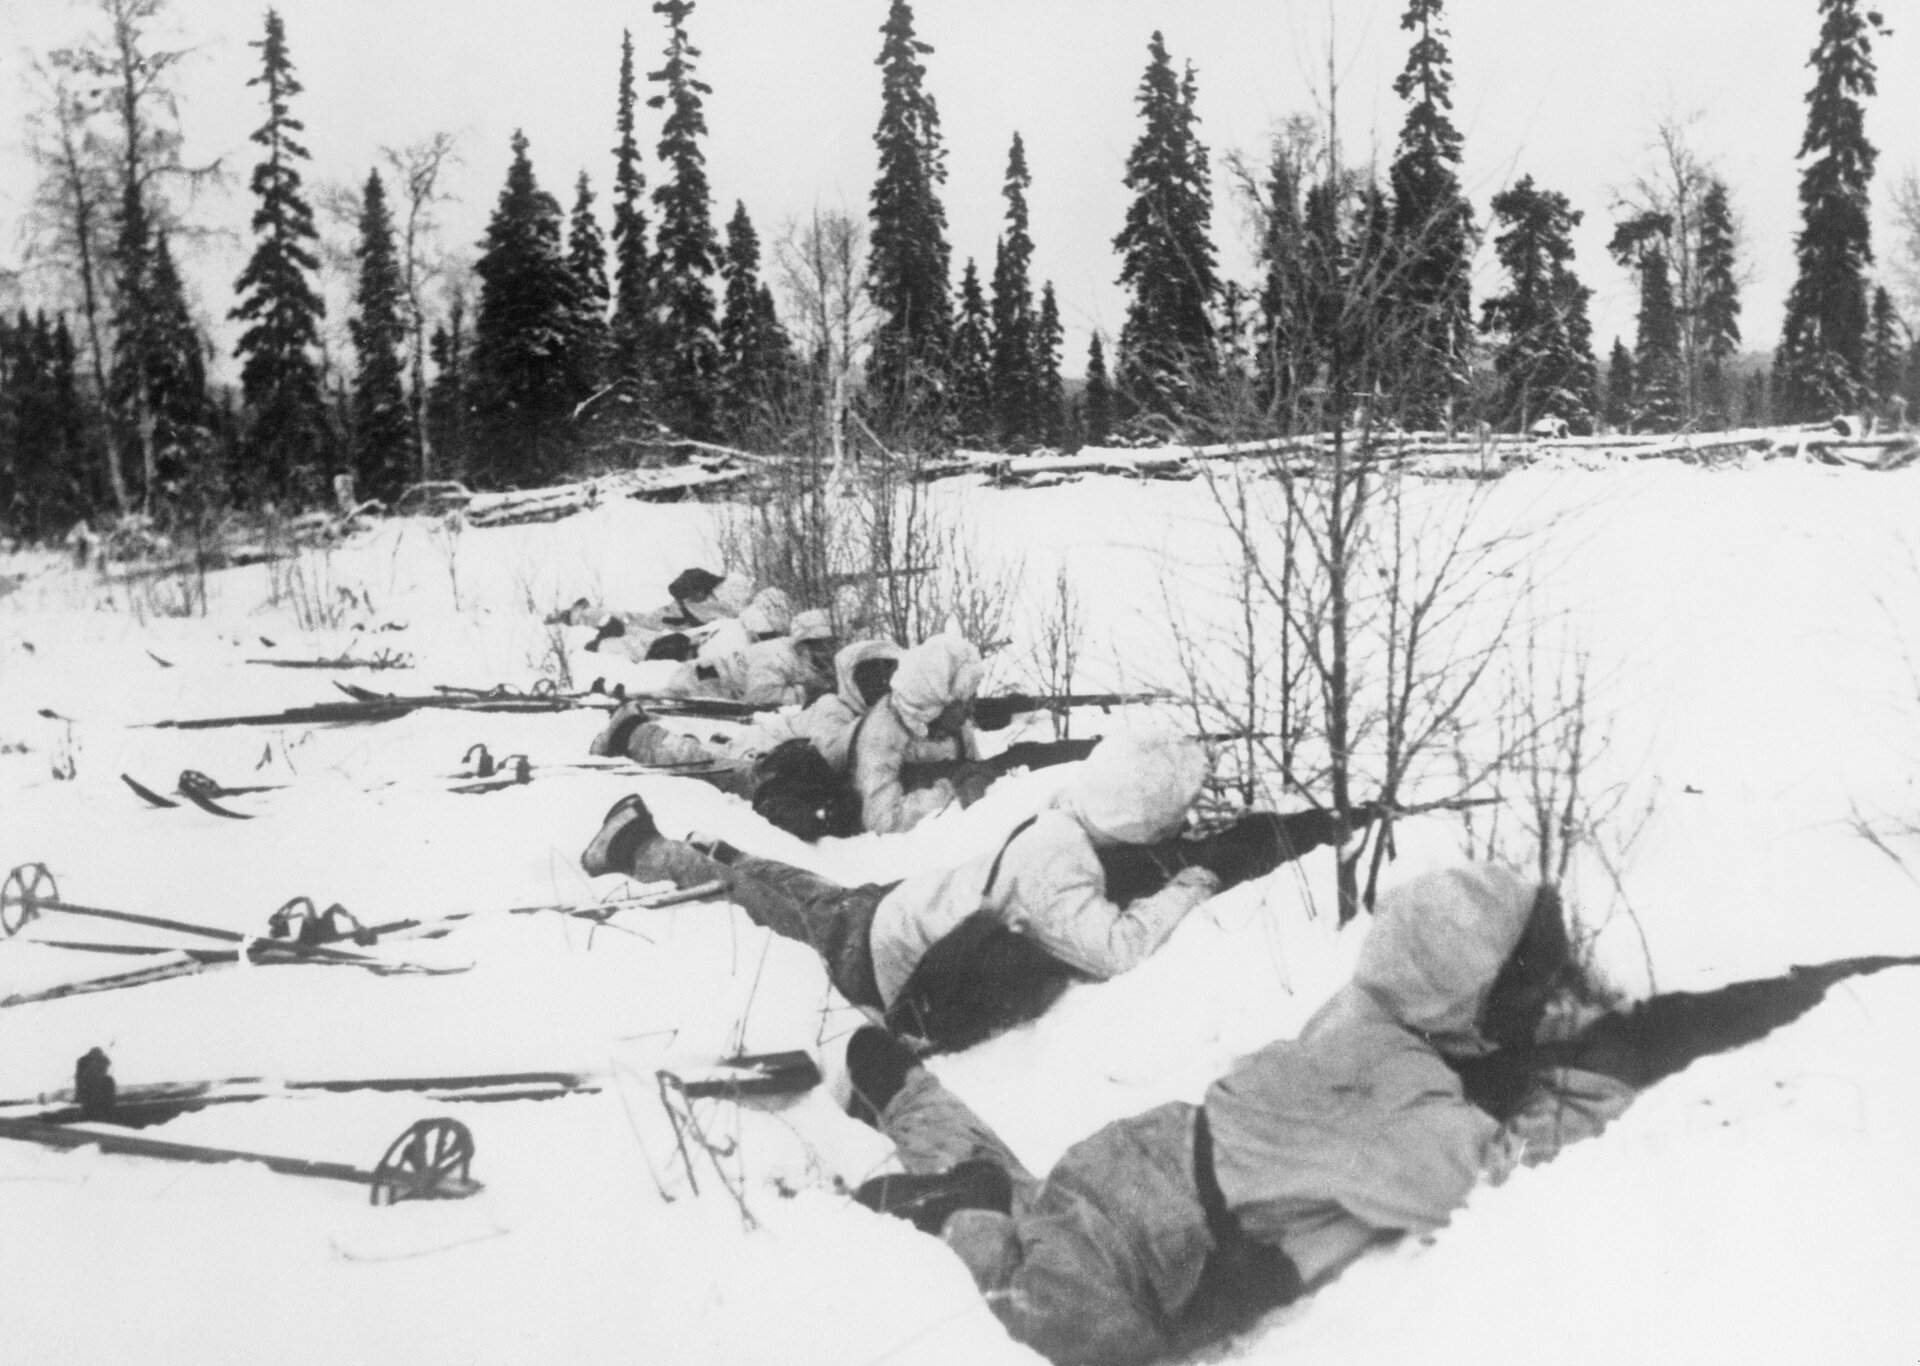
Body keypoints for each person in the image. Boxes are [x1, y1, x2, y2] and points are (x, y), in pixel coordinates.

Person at [841, 863, 1920, 1366]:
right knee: (1011, 1313)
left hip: (1131, 1172)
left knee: (1019, 1196)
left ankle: (899, 1092)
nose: (1533, 998)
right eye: (1518, 980)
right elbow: (1508, 1176)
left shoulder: (1373, 1010)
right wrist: (1605, 1069)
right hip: (1124, 1247)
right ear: (1466, 988)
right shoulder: (1385, 1090)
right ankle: (952, 1207)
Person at [579, 733, 1354, 1051]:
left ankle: (703, 855)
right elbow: (1119, 949)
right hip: (884, 954)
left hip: (906, 909)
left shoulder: (1073, 820)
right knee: (778, 899)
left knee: (792, 891)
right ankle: (641, 851)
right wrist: (1198, 876)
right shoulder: (1062, 861)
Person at [591, 639, 903, 795]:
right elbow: (834, 761)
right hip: (759, 752)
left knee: (707, 754)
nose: (880, 686)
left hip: (773, 752)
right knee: (701, 763)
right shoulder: (835, 710)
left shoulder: (854, 709)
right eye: (871, 676)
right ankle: (633, 731)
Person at [850, 634, 986, 834]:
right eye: (963, 703)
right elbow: (882, 821)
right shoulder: (881, 734)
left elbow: (975, 770)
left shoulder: (956, 723)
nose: (970, 710)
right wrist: (948, 791)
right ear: (935, 702)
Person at [662, 607, 837, 708]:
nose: (828, 650)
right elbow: (761, 696)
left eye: (831, 642)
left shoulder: (800, 656)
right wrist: (807, 694)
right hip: (705, 680)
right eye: (822, 643)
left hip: (713, 679)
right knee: (673, 703)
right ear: (805, 643)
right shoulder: (778, 656)